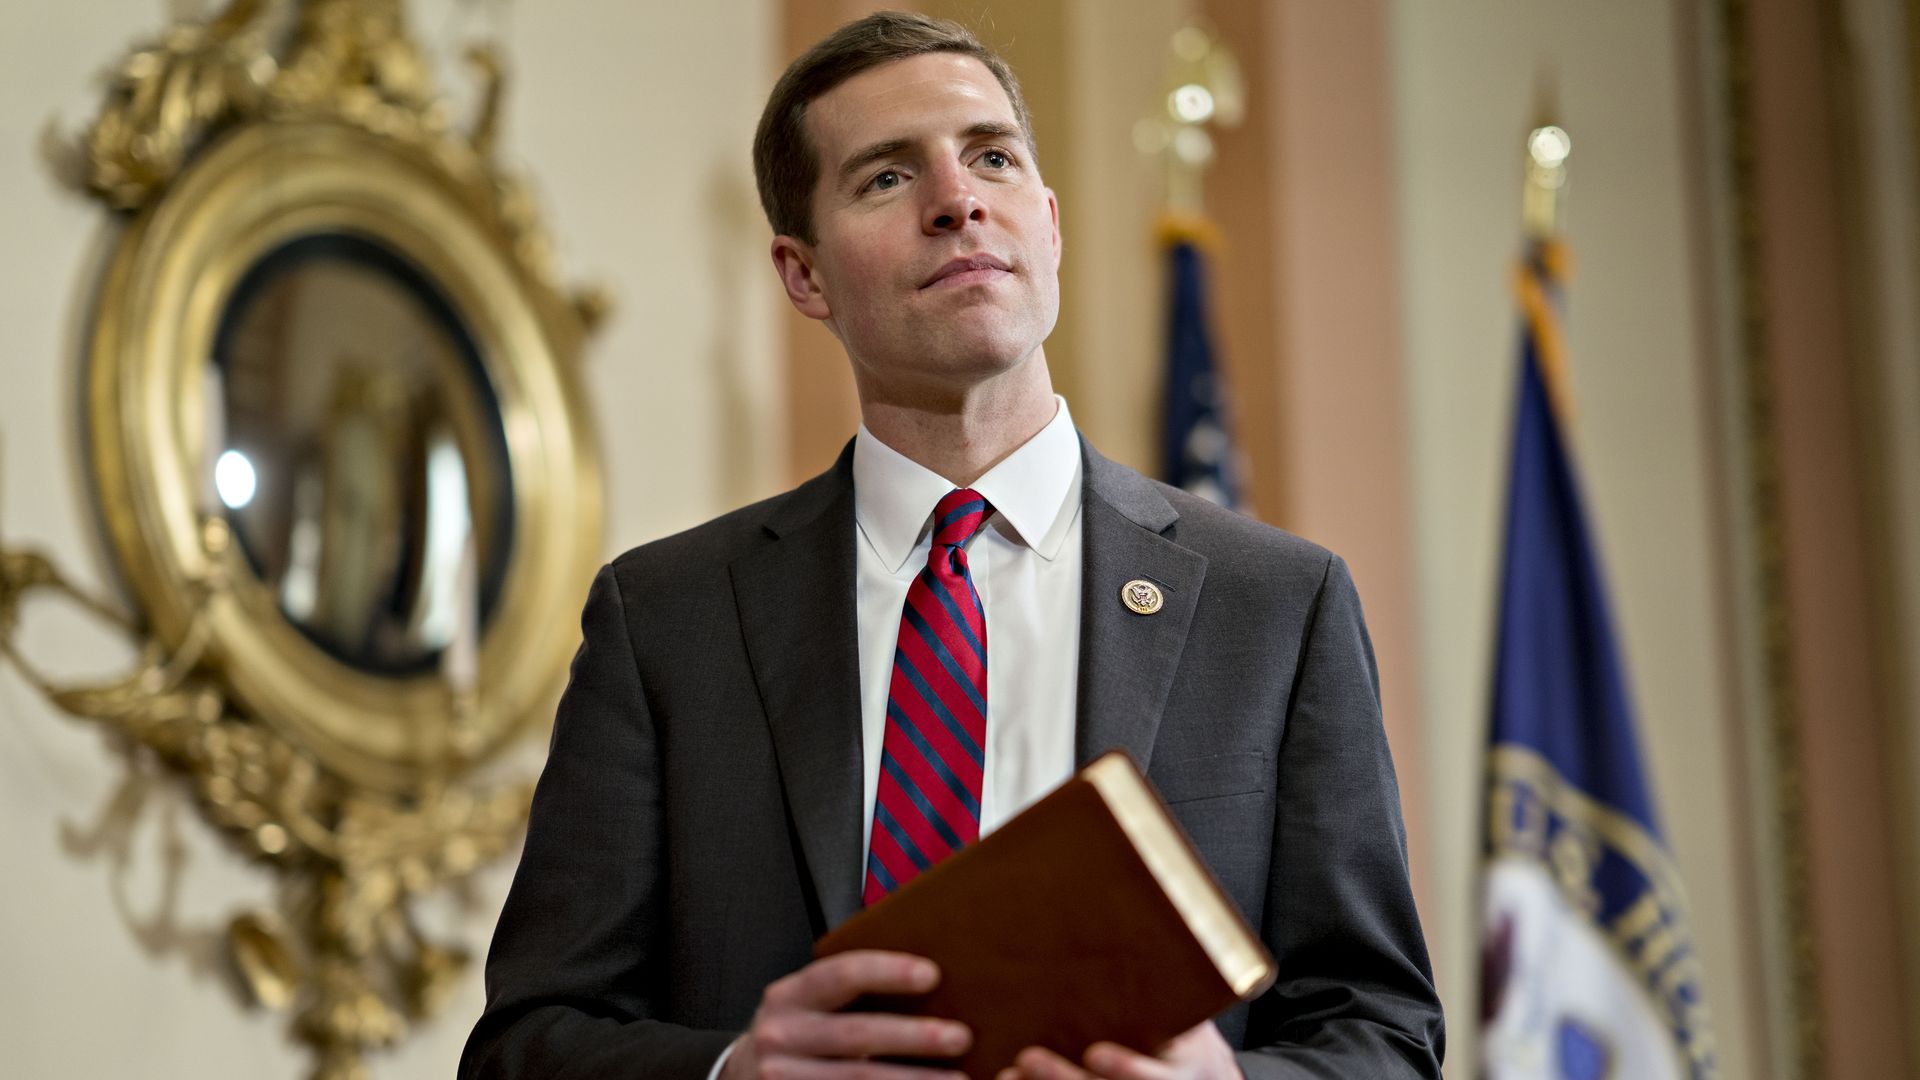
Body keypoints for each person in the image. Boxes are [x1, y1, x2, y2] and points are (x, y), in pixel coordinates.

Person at [460, 12, 1443, 1080]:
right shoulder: (666, 621)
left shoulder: (1277, 606)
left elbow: (1383, 1029)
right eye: (886, 178)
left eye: (992, 157)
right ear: (804, 277)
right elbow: (525, 1045)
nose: (958, 199)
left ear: (1049, 224)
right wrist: (734, 1073)